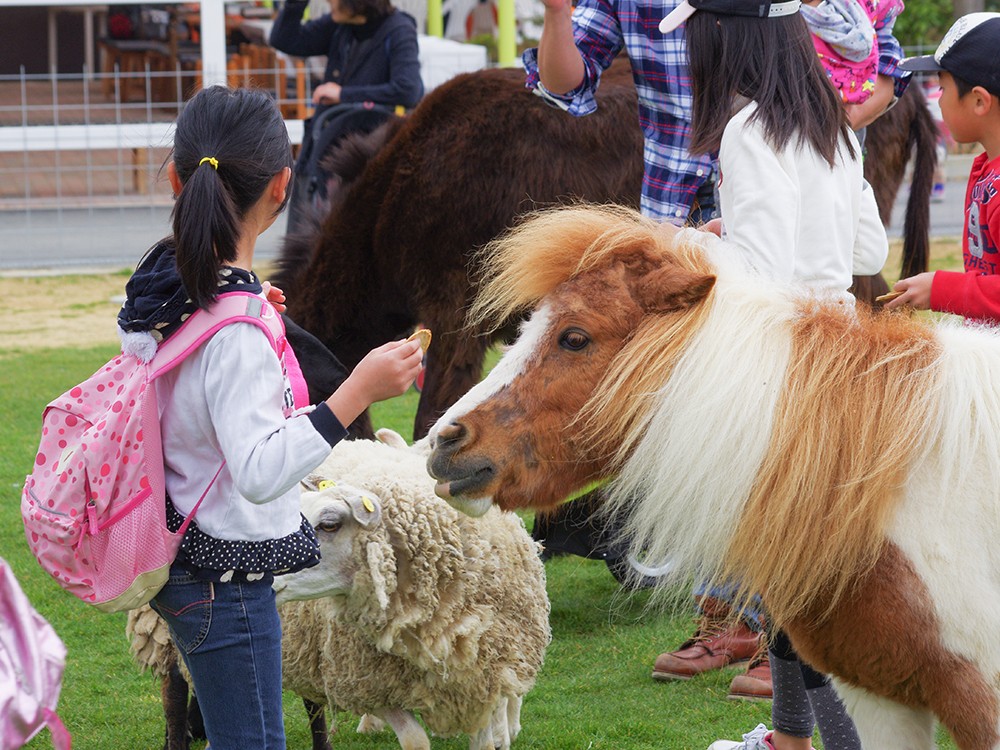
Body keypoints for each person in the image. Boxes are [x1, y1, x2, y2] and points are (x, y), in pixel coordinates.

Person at [121, 85, 424, 749]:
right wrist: (355, 393)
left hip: (182, 557)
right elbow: (258, 472)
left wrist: (249, 300)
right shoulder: (235, 331)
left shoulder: (161, 293)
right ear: (282, 188)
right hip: (225, 582)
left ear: (176, 177)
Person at [655, 1, 888, 748]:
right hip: (844, 366)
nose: (689, 49)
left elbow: (763, 276)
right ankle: (789, 739)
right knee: (795, 588)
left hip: (787, 382)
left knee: (806, 597)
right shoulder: (832, 127)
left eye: (694, 34)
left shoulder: (748, 133)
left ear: (725, 33)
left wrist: (698, 248)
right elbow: (869, 251)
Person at [270, 0, 424, 229]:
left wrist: (344, 94)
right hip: (321, 153)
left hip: (360, 164)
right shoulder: (340, 25)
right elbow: (284, 39)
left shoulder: (398, 29)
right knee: (303, 244)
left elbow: (409, 89)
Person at [886, 13, 1000, 317]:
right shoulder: (988, 169)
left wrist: (941, 289)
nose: (938, 100)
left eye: (943, 88)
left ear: (979, 101)